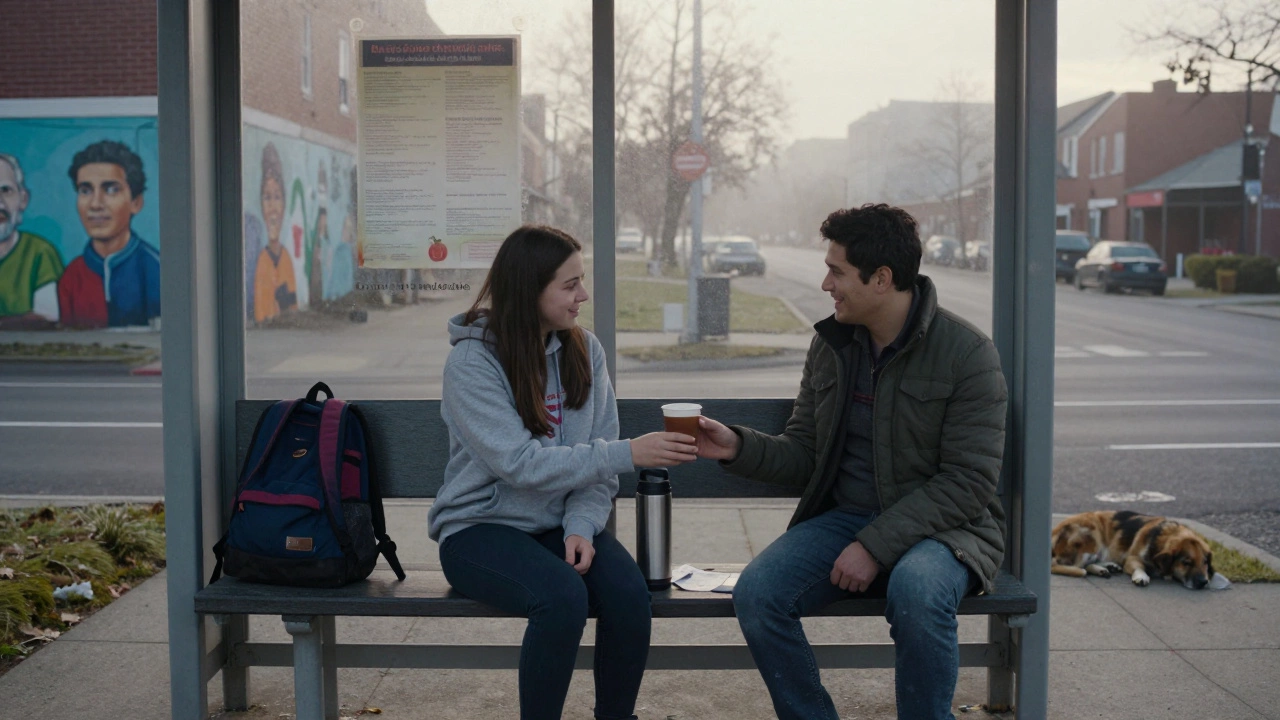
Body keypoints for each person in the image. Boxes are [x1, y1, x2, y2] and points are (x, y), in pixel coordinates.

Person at [696, 204, 1008, 720]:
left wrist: (874, 544)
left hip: (948, 532)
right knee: (758, 594)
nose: (825, 284)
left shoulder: (967, 354)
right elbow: (805, 455)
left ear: (881, 279)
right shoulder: (832, 345)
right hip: (845, 520)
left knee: (918, 589)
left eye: (837, 271)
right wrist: (736, 446)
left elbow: (968, 484)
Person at [428, 225, 698, 720]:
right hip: (478, 530)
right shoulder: (471, 361)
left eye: (582, 280)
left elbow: (594, 472)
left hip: (557, 527)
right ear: (529, 288)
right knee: (561, 597)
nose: (583, 295)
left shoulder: (583, 349)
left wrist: (580, 526)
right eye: (569, 284)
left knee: (629, 595)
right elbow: (520, 464)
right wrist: (629, 453)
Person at [57, 140, 161, 328]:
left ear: (136, 202)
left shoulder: (156, 270)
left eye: (111, 189)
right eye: (85, 190)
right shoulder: (71, 276)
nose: (95, 204)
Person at [0, 153, 63, 329]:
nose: (0, 204)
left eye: (5, 191)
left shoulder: (39, 252)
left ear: (23, 199)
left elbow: (46, 319)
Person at [252, 143, 296, 323]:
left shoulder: (285, 259)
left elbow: (291, 308)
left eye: (277, 197)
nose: (272, 208)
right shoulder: (263, 260)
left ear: (285, 204)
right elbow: (262, 314)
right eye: (267, 198)